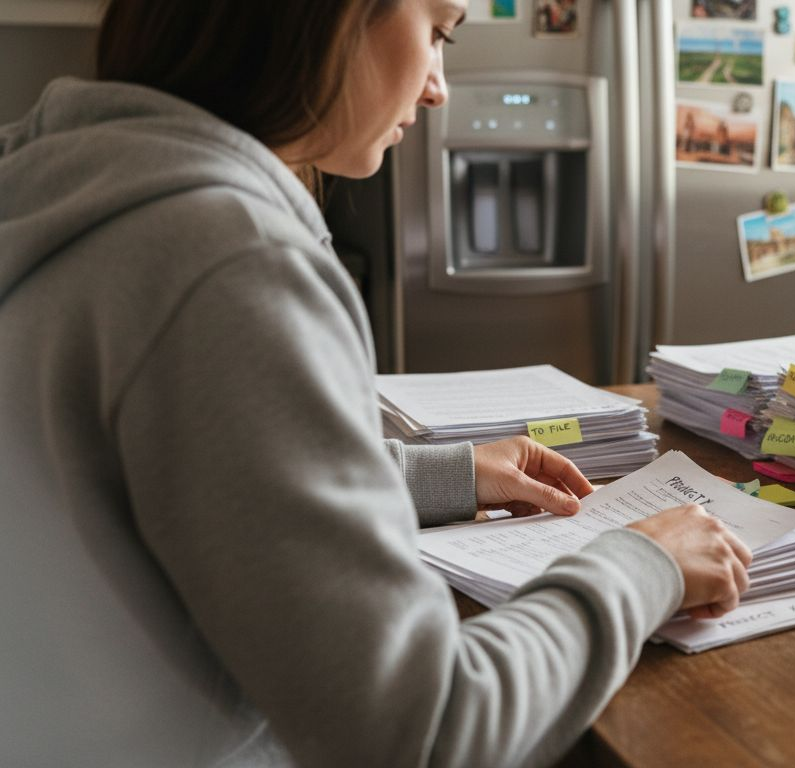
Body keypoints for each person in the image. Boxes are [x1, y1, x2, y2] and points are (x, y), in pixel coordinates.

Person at [0, 1, 751, 766]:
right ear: (332, 17)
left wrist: (439, 474)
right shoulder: (230, 264)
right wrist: (640, 566)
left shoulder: (57, 183)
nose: (438, 88)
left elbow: (175, 473)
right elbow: (422, 730)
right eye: (437, 31)